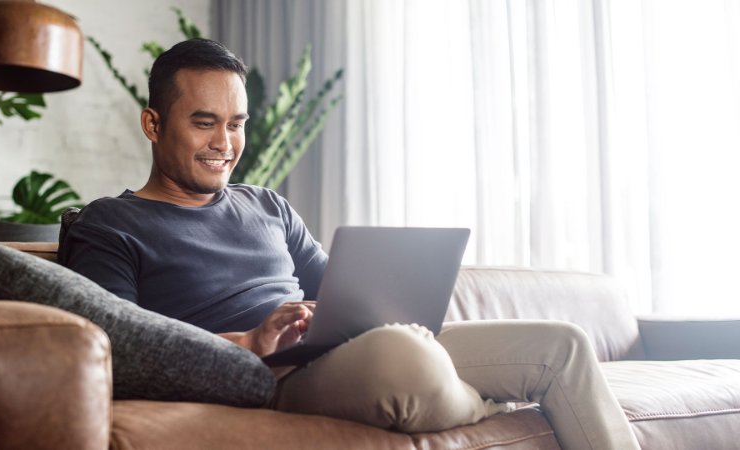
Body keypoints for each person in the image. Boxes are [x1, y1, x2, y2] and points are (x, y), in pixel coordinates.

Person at [59, 38, 640, 450]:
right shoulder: (109, 225)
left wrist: (373, 309)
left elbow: (346, 295)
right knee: (405, 357)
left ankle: (455, 384)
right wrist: (248, 341)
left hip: (346, 353)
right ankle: (487, 401)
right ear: (154, 124)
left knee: (560, 344)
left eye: (237, 123)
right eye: (204, 122)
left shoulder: (267, 205)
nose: (225, 142)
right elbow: (119, 350)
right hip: (269, 378)